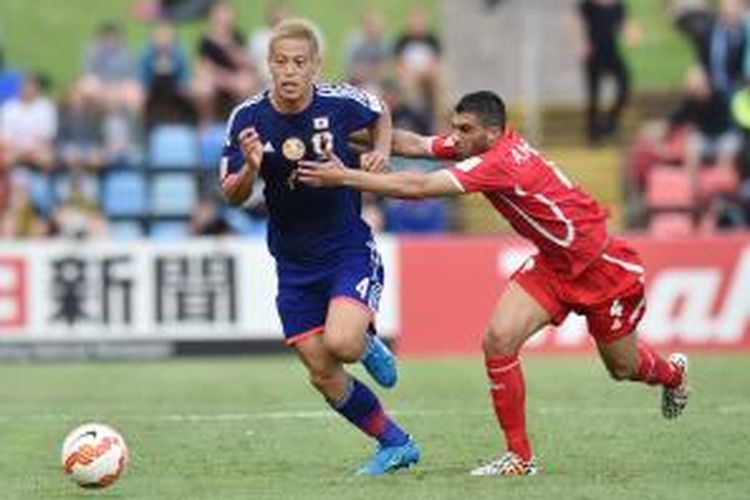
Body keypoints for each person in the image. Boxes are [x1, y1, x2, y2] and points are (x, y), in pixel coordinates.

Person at [298, 90, 689, 476]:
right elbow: (413, 143)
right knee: (498, 341)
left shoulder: (500, 163)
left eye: (465, 130)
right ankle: (519, 457)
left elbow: (417, 188)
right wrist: (339, 131)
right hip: (555, 265)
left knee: (623, 367)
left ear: (492, 132)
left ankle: (672, 374)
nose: (457, 137)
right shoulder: (481, 146)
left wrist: (344, 176)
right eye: (455, 128)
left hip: (602, 268)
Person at [218, 18, 420, 475]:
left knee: (343, 344)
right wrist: (250, 170)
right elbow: (230, 192)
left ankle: (366, 342)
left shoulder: (340, 101)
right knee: (322, 371)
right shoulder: (247, 118)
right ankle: (395, 443)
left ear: (315, 66)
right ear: (267, 64)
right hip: (292, 263)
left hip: (346, 248)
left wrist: (381, 152)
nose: (289, 71)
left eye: (299, 62)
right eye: (280, 62)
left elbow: (379, 110)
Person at [572, 0, 638, 142]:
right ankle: (593, 133)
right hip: (593, 54)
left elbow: (625, 25)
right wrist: (581, 42)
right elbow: (577, 23)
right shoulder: (587, 5)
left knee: (624, 85)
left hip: (611, 53)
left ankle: (610, 122)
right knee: (594, 95)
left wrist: (630, 33)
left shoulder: (618, 6)